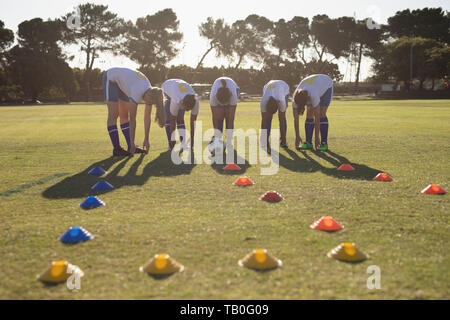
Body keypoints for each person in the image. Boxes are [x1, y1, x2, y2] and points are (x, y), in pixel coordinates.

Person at [102, 67, 165, 156]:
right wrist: (133, 142)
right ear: (150, 97)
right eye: (149, 102)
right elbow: (133, 119)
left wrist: (146, 139)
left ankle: (131, 146)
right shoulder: (137, 92)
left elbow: (147, 118)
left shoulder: (150, 92)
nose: (148, 104)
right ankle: (117, 149)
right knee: (114, 115)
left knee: (124, 117)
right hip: (111, 78)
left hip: (124, 83)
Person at [292, 74, 334, 151]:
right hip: (315, 85)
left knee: (321, 113)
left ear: (307, 98)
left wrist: (317, 138)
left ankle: (324, 143)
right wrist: (297, 136)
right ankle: (308, 143)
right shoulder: (296, 97)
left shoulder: (313, 94)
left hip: (326, 84)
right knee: (309, 114)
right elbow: (296, 119)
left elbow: (317, 118)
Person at [161, 79, 199, 150]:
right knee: (169, 118)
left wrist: (192, 139)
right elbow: (173, 119)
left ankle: (184, 144)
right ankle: (170, 144)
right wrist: (173, 139)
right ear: (182, 103)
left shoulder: (196, 101)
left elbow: (193, 122)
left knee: (180, 118)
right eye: (185, 108)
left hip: (177, 88)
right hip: (166, 89)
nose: (186, 111)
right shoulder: (176, 99)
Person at [209, 77, 240, 152]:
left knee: (228, 117)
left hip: (234, 88)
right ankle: (218, 139)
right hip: (219, 93)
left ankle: (229, 142)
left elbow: (231, 118)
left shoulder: (233, 96)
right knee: (219, 117)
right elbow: (214, 117)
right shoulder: (213, 96)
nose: (224, 106)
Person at [260, 80, 290, 149]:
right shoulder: (263, 102)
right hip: (268, 86)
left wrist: (284, 140)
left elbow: (282, 120)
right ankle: (266, 140)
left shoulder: (281, 101)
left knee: (281, 117)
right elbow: (263, 121)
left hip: (284, 87)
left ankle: (283, 140)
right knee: (267, 119)